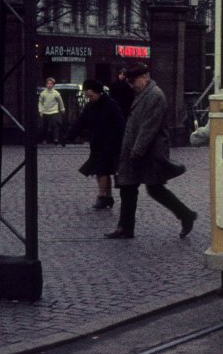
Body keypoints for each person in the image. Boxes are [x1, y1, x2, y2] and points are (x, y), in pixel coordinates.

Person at [105, 63, 197, 240]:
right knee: (128, 187)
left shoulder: (155, 95)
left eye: (133, 81)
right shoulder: (143, 94)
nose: (131, 85)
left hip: (150, 152)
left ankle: (186, 214)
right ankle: (125, 227)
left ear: (144, 78)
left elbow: (149, 126)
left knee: (154, 189)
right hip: (138, 149)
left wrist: (136, 150)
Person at [66, 79, 125, 210]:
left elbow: (120, 125)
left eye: (90, 95)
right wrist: (70, 135)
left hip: (109, 144)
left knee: (101, 171)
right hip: (97, 143)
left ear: (97, 92)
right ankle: (107, 197)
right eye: (88, 95)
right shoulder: (91, 106)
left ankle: (103, 196)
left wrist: (117, 142)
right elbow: (81, 122)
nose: (89, 98)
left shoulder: (110, 104)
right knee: (104, 171)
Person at [38, 77, 63, 144]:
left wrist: (62, 109)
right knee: (45, 126)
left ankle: (56, 139)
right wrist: (40, 111)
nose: (49, 85)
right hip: (45, 111)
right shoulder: (43, 93)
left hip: (54, 111)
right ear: (46, 84)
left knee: (54, 125)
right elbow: (40, 102)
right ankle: (44, 139)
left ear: (53, 85)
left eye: (51, 83)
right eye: (48, 83)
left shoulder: (56, 93)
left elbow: (60, 101)